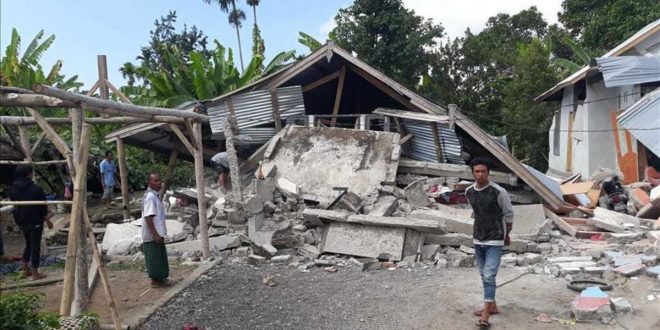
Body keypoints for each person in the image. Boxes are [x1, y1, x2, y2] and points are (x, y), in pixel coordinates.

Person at [464, 158, 514, 329]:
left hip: (495, 238)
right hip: (478, 237)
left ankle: (486, 314)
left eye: (483, 171)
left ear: (488, 173)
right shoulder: (469, 192)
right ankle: (492, 306)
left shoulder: (498, 192)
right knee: (483, 274)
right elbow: (476, 213)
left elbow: (509, 215)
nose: (479, 174)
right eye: (476, 171)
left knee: (489, 275)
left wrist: (507, 235)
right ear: (472, 173)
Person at [9, 165, 53, 280]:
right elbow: (42, 207)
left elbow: (14, 204)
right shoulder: (36, 189)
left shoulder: (13, 188)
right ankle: (35, 273)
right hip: (35, 221)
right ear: (29, 174)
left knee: (28, 244)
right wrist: (48, 220)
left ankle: (24, 270)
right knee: (35, 246)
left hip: (21, 221)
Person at [141, 173, 170, 288]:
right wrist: (155, 234)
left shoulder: (155, 195)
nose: (159, 183)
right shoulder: (150, 197)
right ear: (149, 183)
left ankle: (161, 279)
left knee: (160, 256)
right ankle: (155, 281)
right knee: (154, 258)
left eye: (159, 180)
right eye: (155, 181)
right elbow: (148, 217)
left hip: (157, 232)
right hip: (152, 234)